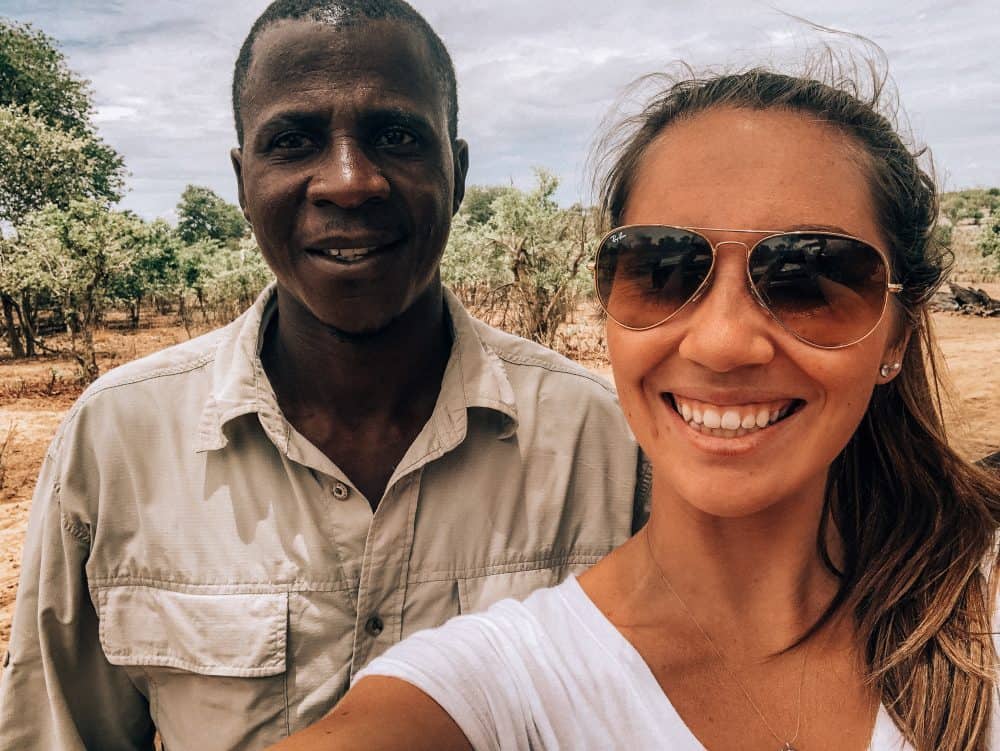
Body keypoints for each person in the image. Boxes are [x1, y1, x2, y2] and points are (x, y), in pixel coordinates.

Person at [270, 62, 1000, 751]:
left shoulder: (979, 613)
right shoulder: (500, 684)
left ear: (897, 335)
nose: (721, 342)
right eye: (661, 269)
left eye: (810, 276)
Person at [0, 2, 648, 748]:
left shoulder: (602, 440)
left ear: (458, 173)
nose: (348, 181)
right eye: (294, 141)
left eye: (397, 136)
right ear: (244, 182)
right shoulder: (116, 438)